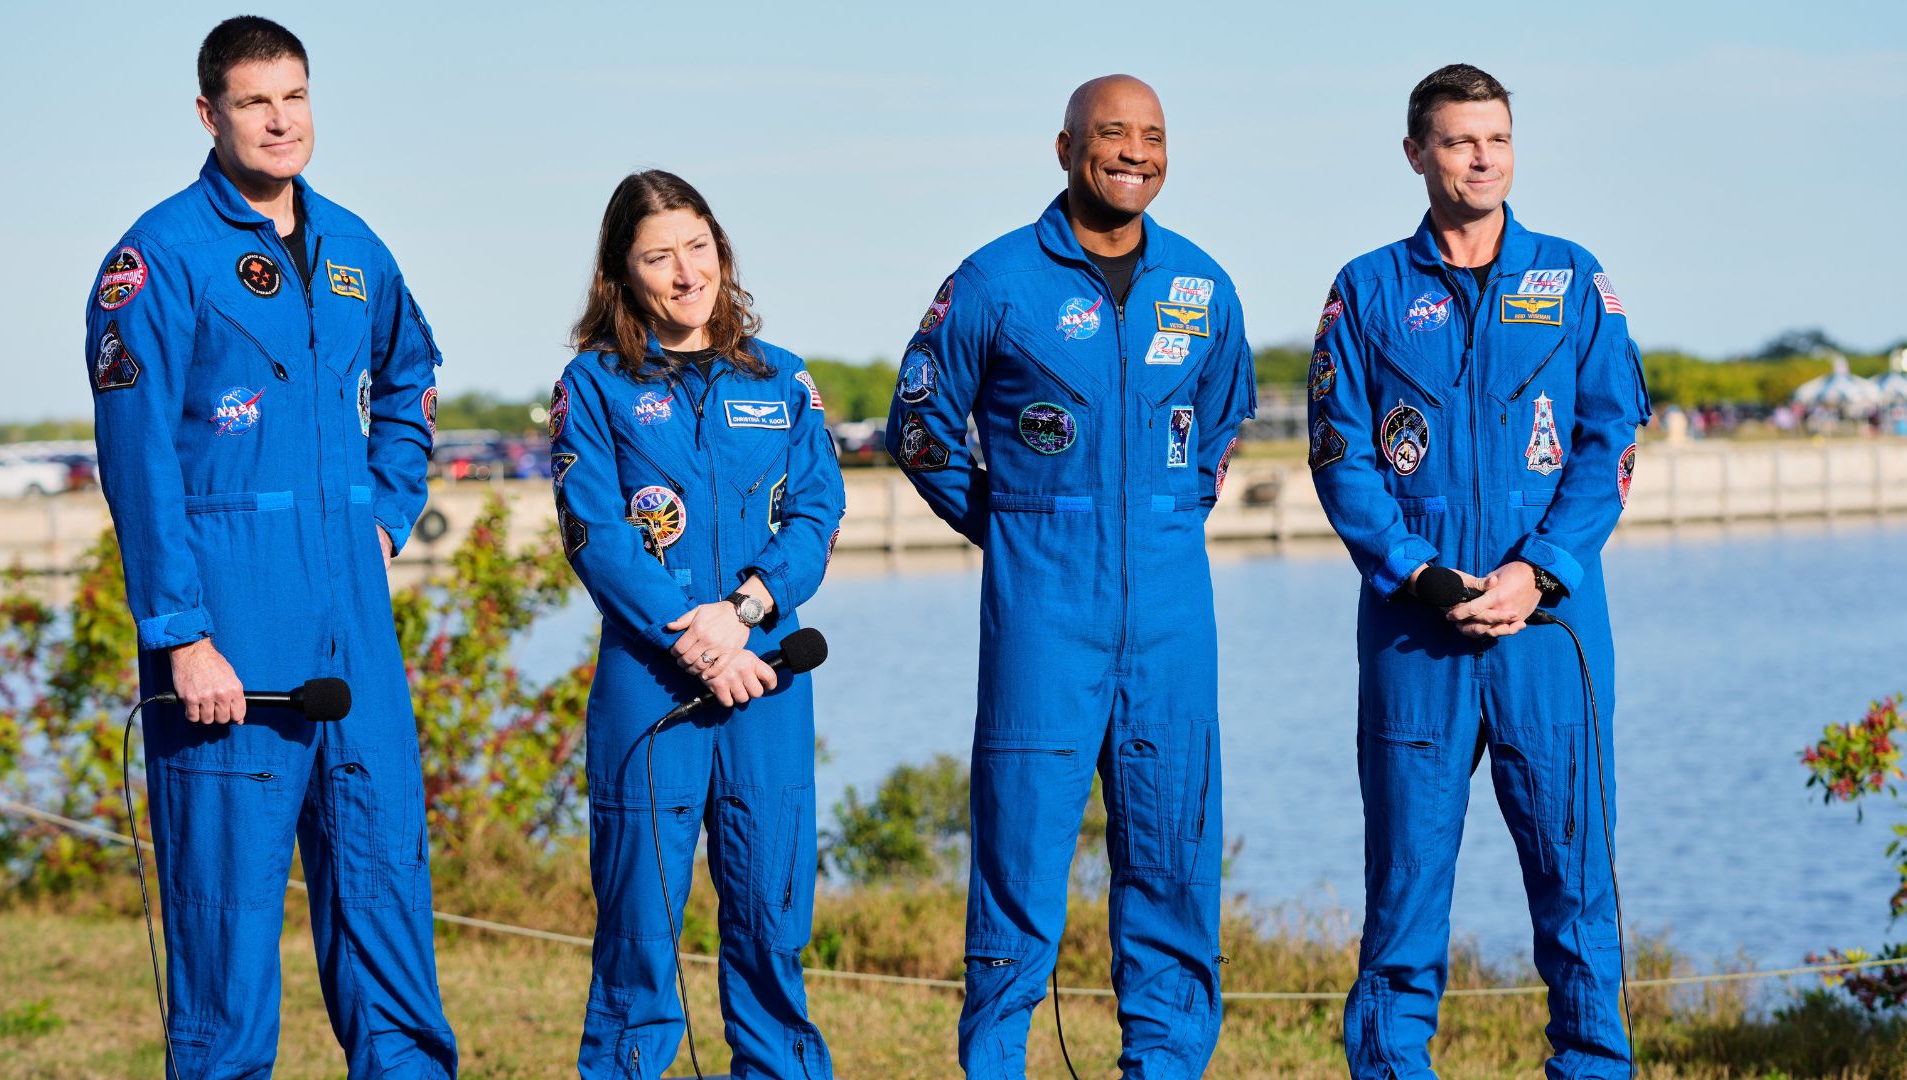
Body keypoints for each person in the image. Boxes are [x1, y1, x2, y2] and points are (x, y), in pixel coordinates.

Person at [84, 17, 456, 1078]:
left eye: (294, 96)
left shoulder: (353, 247)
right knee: (227, 935)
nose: (280, 118)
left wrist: (387, 510)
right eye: (255, 100)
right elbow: (139, 465)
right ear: (210, 114)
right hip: (231, 643)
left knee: (387, 908)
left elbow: (412, 373)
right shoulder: (157, 258)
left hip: (356, 640)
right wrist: (182, 635)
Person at [887, 75, 1256, 1077]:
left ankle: (1168, 1063)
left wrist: (1165, 518)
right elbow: (917, 427)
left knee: (1174, 855)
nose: (1133, 152)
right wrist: (1013, 525)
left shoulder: (1203, 286)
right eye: (1110, 134)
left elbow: (1222, 425)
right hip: (1044, 614)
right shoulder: (997, 280)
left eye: (1153, 136)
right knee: (1019, 858)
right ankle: (998, 1060)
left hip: (1174, 618)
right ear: (1064, 149)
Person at [1307, 64, 1650, 1077]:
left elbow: (1610, 441)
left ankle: (1591, 1067)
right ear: (1416, 153)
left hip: (1549, 632)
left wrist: (1539, 572)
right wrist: (1417, 573)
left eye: (1496, 137)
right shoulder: (1366, 289)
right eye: (1459, 141)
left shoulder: (1572, 277)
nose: (1481, 157)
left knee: (1578, 887)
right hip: (1419, 631)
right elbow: (1340, 454)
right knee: (1406, 891)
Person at [552, 170, 845, 1079]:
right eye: (657, 256)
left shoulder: (783, 379)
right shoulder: (593, 386)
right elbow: (596, 535)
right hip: (651, 690)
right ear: (622, 273)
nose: (685, 273)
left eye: (697, 247)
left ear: (721, 250)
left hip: (766, 680)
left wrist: (745, 612)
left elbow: (816, 513)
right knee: (640, 936)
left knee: (770, 925)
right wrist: (698, 641)